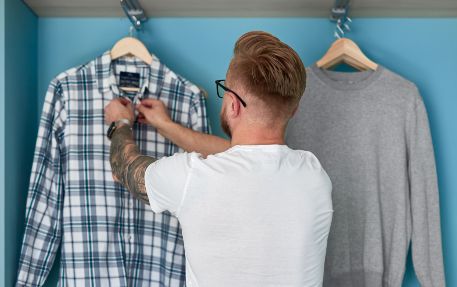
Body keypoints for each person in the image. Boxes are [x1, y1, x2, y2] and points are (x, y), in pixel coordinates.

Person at [104, 31, 333, 287]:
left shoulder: (192, 178)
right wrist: (167, 126)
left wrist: (120, 122)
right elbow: (249, 158)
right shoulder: (314, 175)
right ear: (294, 109)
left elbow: (123, 167)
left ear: (233, 104)